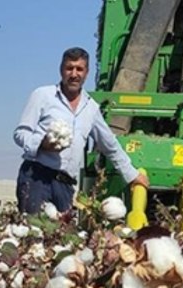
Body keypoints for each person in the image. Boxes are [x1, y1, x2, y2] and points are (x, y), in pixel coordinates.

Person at [13, 47, 149, 215]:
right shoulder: (43, 96)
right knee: (33, 232)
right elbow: (20, 133)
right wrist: (42, 144)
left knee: (63, 236)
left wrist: (132, 175)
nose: (74, 74)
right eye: (69, 68)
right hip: (37, 177)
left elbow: (110, 145)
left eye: (79, 69)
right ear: (61, 69)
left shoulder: (91, 108)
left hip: (65, 185)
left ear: (87, 73)